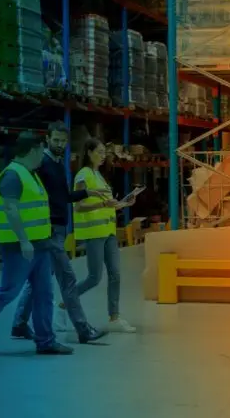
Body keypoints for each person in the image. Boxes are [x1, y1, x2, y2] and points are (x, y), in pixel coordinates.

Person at [0, 132, 72, 355]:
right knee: (8, 292)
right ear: (32, 150)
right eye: (41, 151)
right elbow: (11, 209)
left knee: (44, 293)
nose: (43, 156)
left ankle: (45, 341)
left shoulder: (30, 174)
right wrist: (24, 240)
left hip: (41, 245)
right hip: (20, 248)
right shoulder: (12, 175)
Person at [11, 122, 108, 344]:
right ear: (47, 139)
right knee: (68, 277)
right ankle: (83, 329)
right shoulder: (42, 164)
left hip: (58, 228)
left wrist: (87, 192)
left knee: (38, 277)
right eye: (55, 140)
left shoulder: (57, 164)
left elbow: (63, 197)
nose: (59, 145)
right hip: (49, 229)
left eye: (63, 141)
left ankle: (18, 323)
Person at [72, 138, 137, 333]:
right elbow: (78, 205)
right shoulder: (83, 176)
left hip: (108, 232)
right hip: (94, 233)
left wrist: (124, 204)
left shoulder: (98, 175)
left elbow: (108, 204)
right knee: (94, 277)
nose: (103, 156)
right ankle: (65, 304)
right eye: (99, 152)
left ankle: (114, 317)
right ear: (89, 152)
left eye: (104, 153)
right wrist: (102, 205)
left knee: (115, 274)